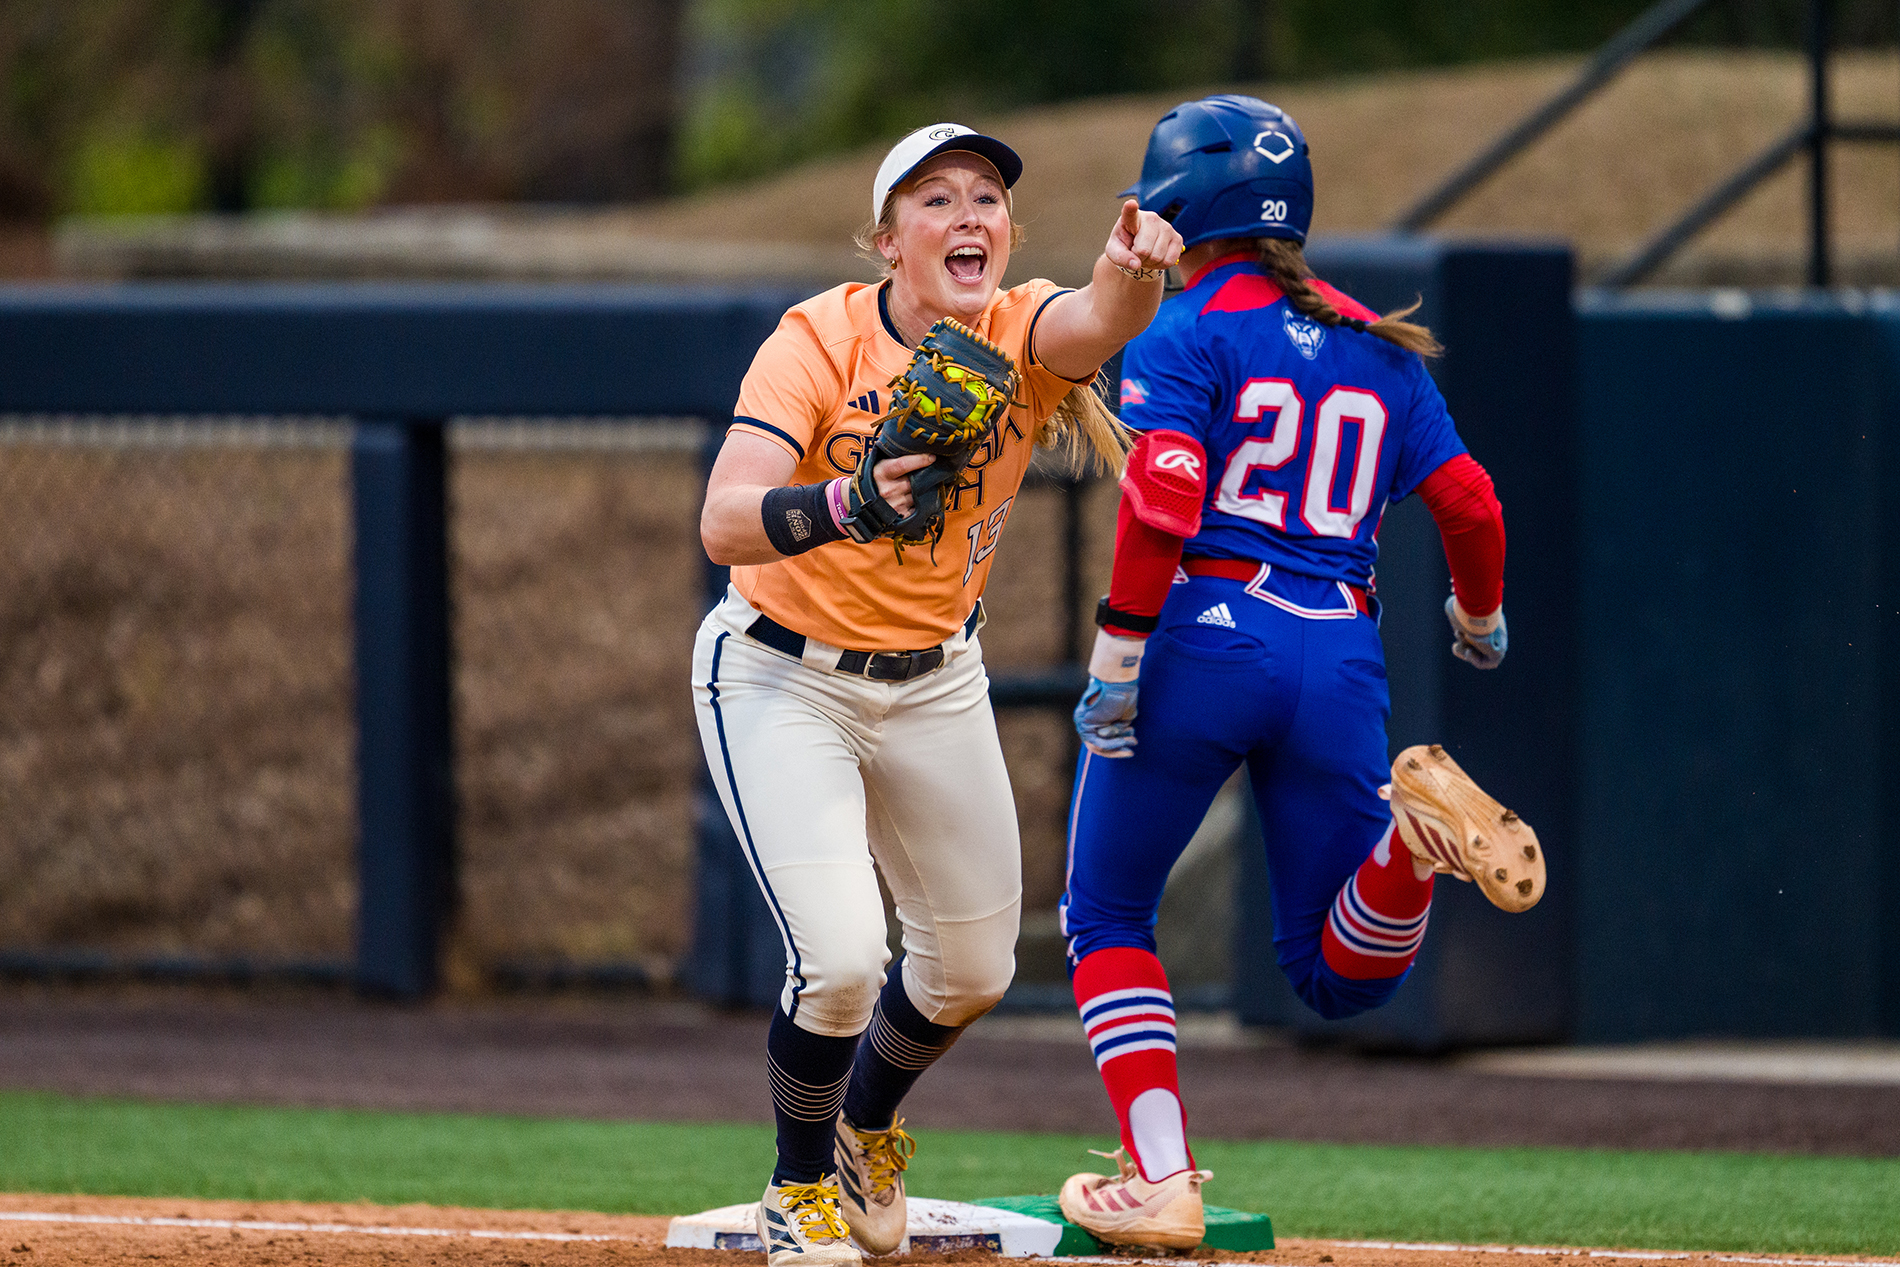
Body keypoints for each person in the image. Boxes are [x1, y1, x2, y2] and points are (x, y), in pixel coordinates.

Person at [694, 122, 1186, 1267]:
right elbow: (725, 516)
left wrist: (1135, 263)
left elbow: (1102, 319)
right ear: (886, 241)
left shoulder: (1018, 326)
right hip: (781, 672)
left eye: (985, 198)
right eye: (932, 200)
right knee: (842, 959)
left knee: (975, 970)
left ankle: (866, 1124)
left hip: (932, 676)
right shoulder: (816, 337)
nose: (967, 215)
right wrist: (846, 505)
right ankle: (797, 1185)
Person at [1055, 95, 1542, 1249]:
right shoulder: (1378, 341)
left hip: (1205, 634)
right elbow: (1469, 502)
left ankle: (1164, 1178)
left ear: (1178, 203)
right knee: (1336, 973)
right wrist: (1481, 619)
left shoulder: (1182, 332)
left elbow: (1165, 498)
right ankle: (1409, 846)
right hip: (1339, 644)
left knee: (1107, 911)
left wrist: (1118, 660)